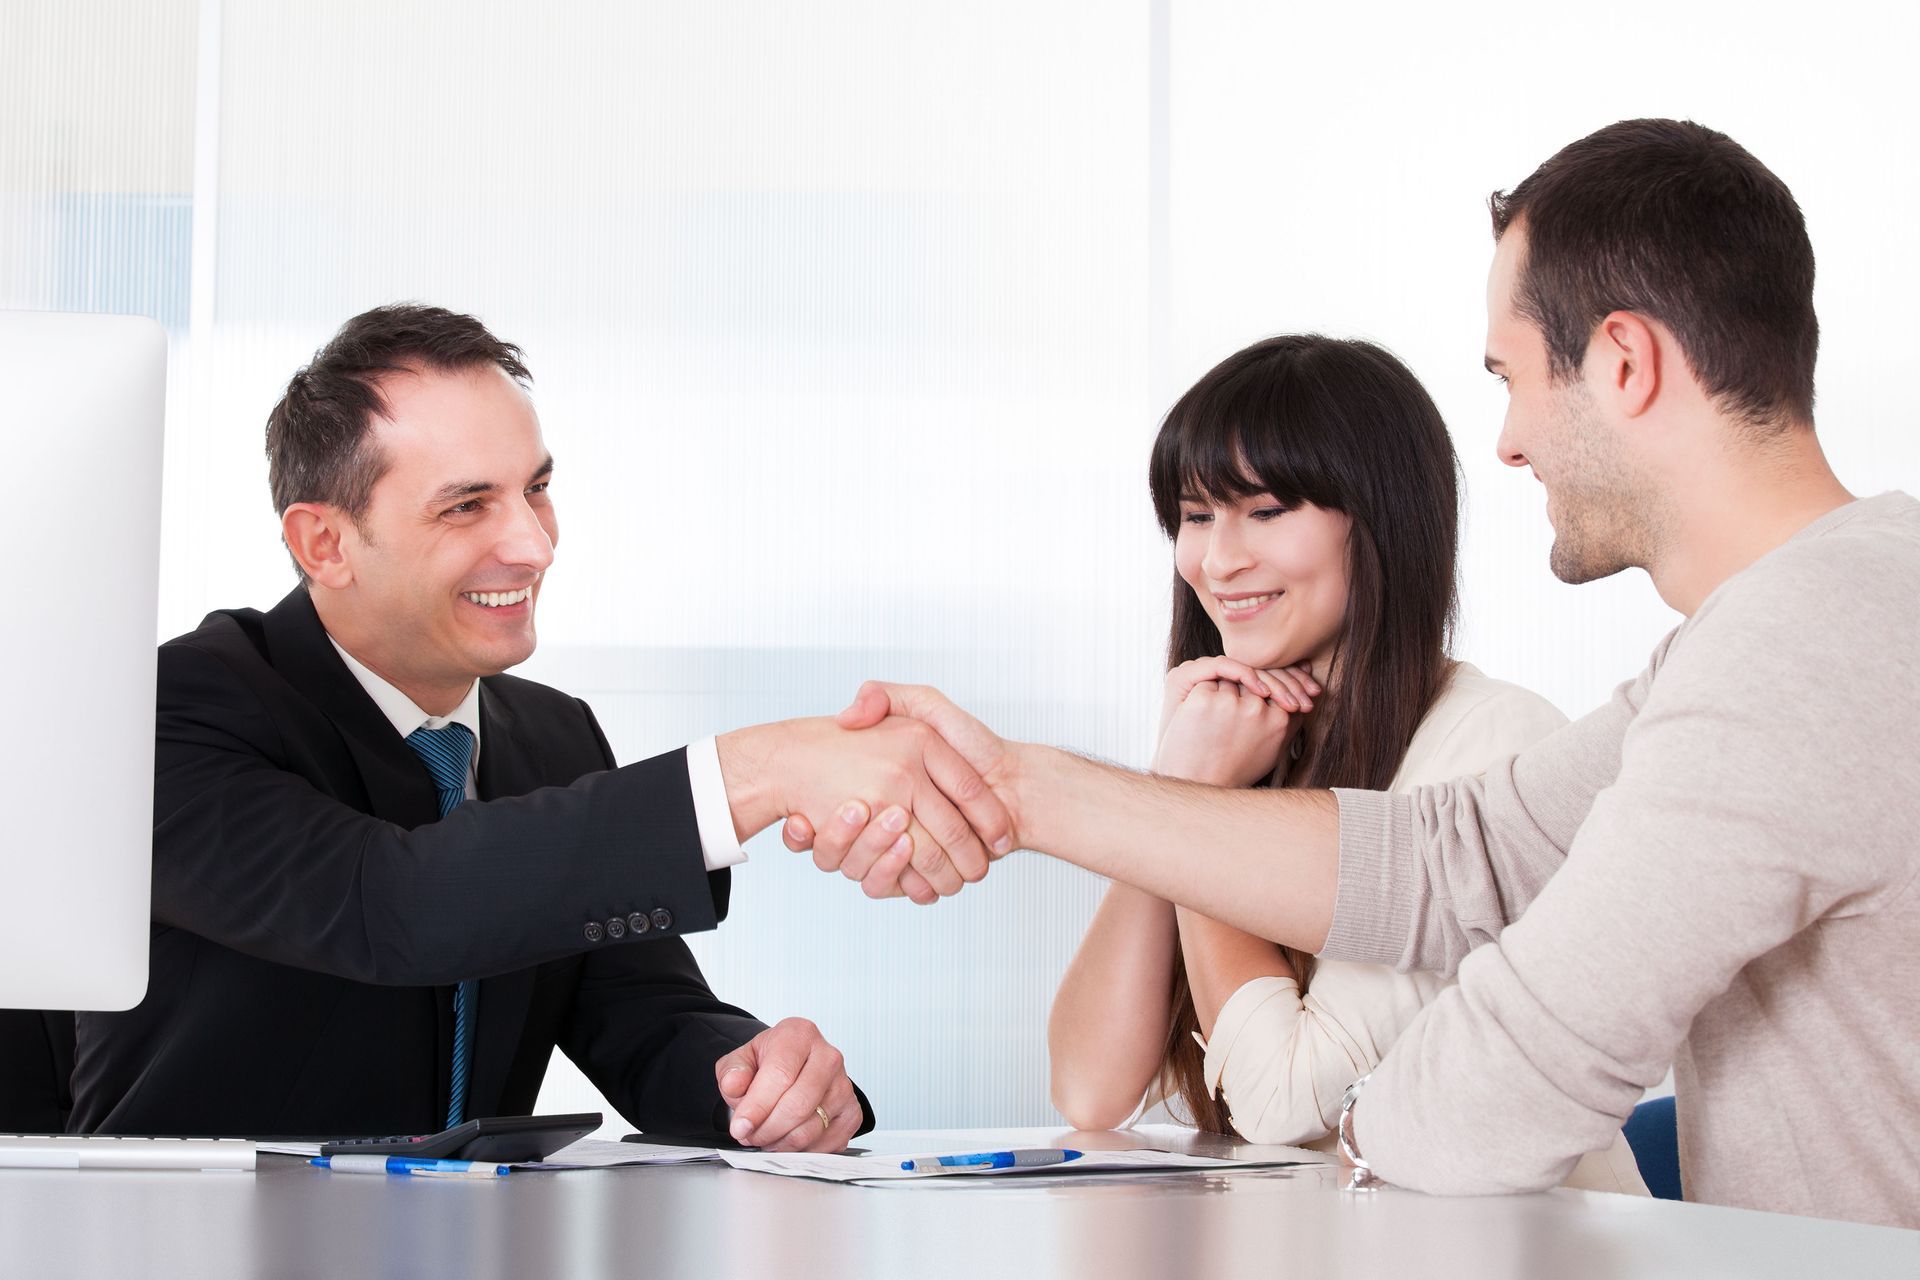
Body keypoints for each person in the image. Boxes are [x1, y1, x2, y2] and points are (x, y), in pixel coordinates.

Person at [802, 120, 1920, 1227]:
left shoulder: (1806, 642)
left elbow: (1530, 1058)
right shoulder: (1783, 626)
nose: (1509, 442)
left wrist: (1361, 1119)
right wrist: (1018, 784)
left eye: (1513, 377)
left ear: (1624, 362)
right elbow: (1459, 853)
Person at [71, 304, 1012, 1150]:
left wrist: (755, 1078)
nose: (533, 543)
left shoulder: (552, 736)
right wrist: (754, 773)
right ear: (325, 543)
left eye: (536, 489)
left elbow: (641, 1013)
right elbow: (393, 904)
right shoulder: (171, 711)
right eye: (468, 504)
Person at [1043, 334, 1644, 1193]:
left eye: (1265, 511)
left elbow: (1286, 1098)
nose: (1217, 561)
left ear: (1380, 518)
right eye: (1197, 515)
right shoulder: (1236, 742)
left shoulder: (1494, 748)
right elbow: (1091, 1093)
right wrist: (1175, 792)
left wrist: (1194, 800)